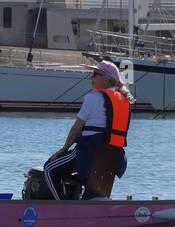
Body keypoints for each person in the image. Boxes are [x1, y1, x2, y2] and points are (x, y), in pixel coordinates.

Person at [44, 61, 131, 200]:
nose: (91, 78)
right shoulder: (124, 101)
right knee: (83, 178)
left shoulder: (92, 98)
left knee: (49, 168)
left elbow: (75, 130)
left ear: (107, 79)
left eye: (95, 74)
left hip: (89, 150)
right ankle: (85, 204)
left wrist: (63, 148)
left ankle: (61, 208)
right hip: (114, 156)